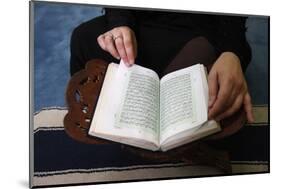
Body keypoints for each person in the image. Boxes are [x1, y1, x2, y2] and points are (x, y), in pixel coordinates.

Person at [70, 8, 254, 134]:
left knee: (208, 83)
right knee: (83, 39)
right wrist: (121, 24)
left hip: (201, 28)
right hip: (143, 21)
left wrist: (232, 51)